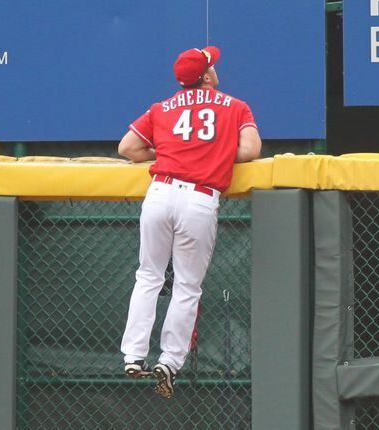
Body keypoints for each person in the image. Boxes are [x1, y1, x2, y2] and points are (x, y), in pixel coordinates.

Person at [118, 45, 262, 399]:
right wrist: (214, 149)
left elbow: (127, 149)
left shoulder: (161, 108)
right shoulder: (235, 105)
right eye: (213, 67)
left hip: (160, 193)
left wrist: (168, 151)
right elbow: (250, 151)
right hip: (199, 198)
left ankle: (133, 355)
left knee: (149, 276)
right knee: (186, 286)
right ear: (208, 76)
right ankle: (169, 360)